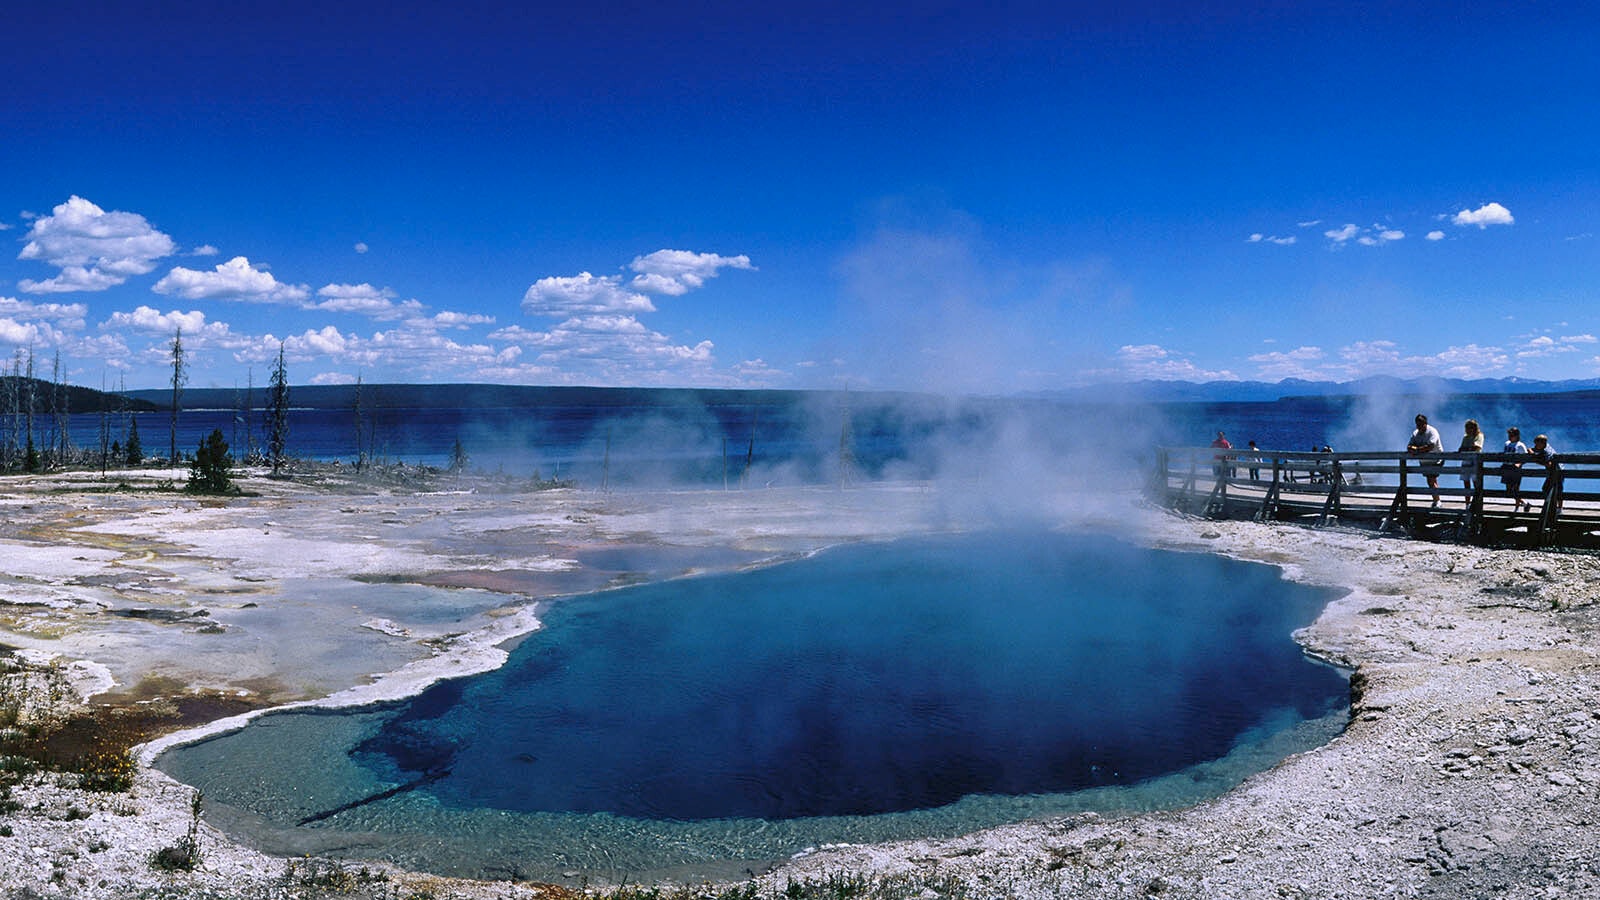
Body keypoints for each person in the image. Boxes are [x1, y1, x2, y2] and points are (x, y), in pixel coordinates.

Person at [1407, 413, 1444, 506]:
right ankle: (1436, 500)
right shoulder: (1415, 433)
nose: (1418, 427)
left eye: (1420, 424)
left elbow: (1430, 446)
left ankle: (1438, 501)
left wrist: (1417, 449)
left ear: (1425, 423)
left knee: (1432, 479)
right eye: (1417, 424)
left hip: (1436, 459)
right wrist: (1413, 449)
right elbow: (1409, 446)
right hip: (1424, 460)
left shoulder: (1432, 431)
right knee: (1430, 480)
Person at [1501, 426, 1528, 512]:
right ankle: (1525, 503)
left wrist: (1519, 464)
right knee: (1509, 490)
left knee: (1516, 489)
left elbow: (1526, 457)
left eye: (1511, 435)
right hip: (1507, 467)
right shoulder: (1507, 443)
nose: (1510, 436)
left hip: (1515, 469)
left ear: (1516, 435)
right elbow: (1504, 454)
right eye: (1509, 434)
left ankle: (1517, 508)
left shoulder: (1520, 445)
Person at [1457, 419, 1483, 500]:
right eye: (1466, 428)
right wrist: (1468, 448)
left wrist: (1467, 449)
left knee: (1475, 483)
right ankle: (1467, 503)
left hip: (1475, 461)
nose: (1467, 430)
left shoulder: (1479, 436)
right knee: (1466, 483)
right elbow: (1461, 449)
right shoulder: (1466, 437)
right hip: (1465, 461)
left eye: (1469, 428)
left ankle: (1476, 502)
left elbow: (1477, 447)